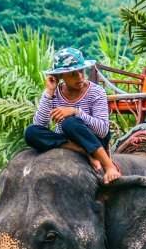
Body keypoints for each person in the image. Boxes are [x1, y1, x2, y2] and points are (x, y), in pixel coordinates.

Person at [24, 47, 123, 183]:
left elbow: (102, 130)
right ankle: (84, 152)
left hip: (94, 139)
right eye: (73, 74)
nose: (80, 77)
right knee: (30, 132)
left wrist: (76, 112)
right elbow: (39, 125)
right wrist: (49, 92)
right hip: (67, 141)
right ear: (61, 76)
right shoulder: (54, 93)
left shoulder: (96, 92)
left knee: (69, 122)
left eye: (81, 71)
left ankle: (109, 166)